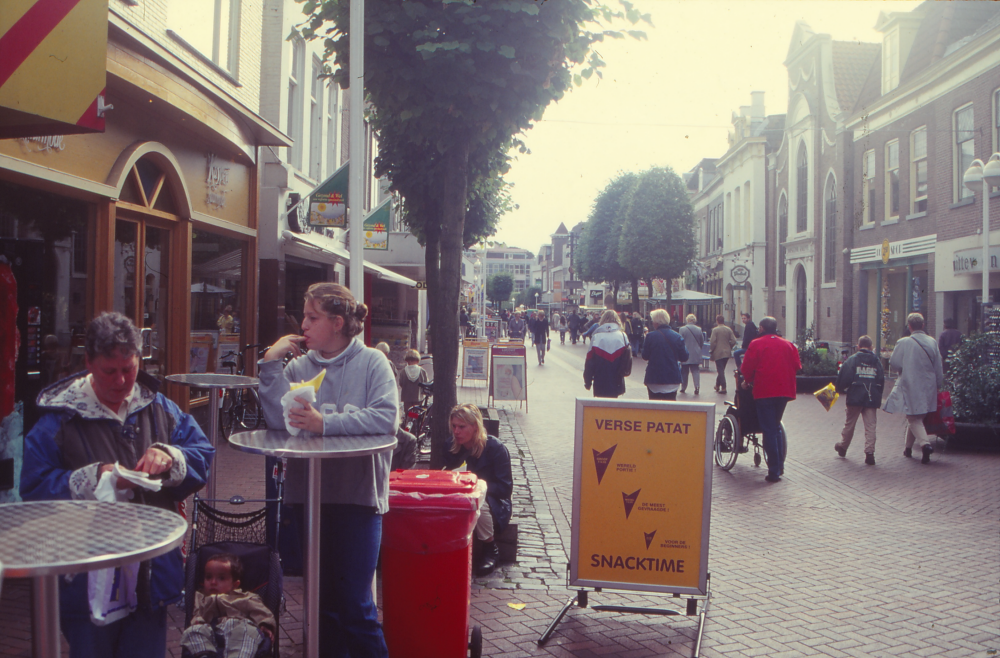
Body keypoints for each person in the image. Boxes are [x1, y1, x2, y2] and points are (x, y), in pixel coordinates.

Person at [21, 311, 214, 658]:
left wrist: (170, 457)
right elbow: (34, 488)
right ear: (88, 362)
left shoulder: (161, 408)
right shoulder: (58, 420)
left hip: (149, 573)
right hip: (86, 578)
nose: (122, 381)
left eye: (129, 369)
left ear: (141, 360)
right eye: (110, 371)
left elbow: (201, 454)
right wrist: (95, 477)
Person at [258, 282, 397, 656]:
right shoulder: (300, 365)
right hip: (310, 499)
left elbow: (386, 418)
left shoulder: (372, 363)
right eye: (305, 316)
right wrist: (270, 364)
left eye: (312, 317)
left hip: (358, 500)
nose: (302, 324)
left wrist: (325, 423)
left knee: (356, 606)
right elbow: (277, 421)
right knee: (323, 608)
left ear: (337, 322)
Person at [443, 404, 513, 576]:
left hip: (493, 501)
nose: (456, 431)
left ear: (474, 427)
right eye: (454, 426)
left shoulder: (495, 449)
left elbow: (505, 488)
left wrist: (478, 486)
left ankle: (491, 549)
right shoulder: (450, 446)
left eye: (461, 427)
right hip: (459, 494)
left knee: (477, 504)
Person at [739, 316, 801, 483]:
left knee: (769, 429)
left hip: (765, 391)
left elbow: (746, 368)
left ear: (761, 328)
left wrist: (747, 381)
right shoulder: (789, 345)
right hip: (785, 391)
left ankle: (774, 471)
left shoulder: (756, 344)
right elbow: (797, 366)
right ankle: (779, 465)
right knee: (776, 426)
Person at [181, 553, 276, 658]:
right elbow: (196, 614)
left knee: (246, 630)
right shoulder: (200, 597)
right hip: (211, 634)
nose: (213, 582)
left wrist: (266, 625)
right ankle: (204, 655)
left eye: (221, 578)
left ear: (235, 584)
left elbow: (261, 611)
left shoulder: (245, 597)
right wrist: (198, 621)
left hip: (237, 631)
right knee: (192, 631)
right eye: (208, 577)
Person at [882, 312, 944, 464]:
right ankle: (908, 449)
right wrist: (939, 384)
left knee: (912, 417)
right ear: (923, 325)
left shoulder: (903, 343)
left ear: (909, 326)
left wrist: (906, 366)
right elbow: (938, 366)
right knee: (916, 417)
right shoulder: (932, 342)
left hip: (911, 383)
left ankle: (925, 445)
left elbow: (895, 364)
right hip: (929, 385)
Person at [834, 335, 885, 465]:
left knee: (850, 424)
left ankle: (843, 447)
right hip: (871, 396)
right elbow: (880, 379)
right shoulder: (876, 360)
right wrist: (878, 394)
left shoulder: (852, 360)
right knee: (870, 426)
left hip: (855, 395)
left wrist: (839, 389)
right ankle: (869, 453)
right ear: (871, 347)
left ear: (858, 346)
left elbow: (844, 378)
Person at [583, 310, 632, 398]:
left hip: (599, 379)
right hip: (617, 379)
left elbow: (589, 361)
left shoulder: (596, 336)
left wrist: (588, 381)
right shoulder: (623, 336)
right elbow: (627, 359)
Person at [641, 309, 688, 400]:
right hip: (672, 378)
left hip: (654, 379)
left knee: (654, 408)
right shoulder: (677, 337)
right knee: (670, 408)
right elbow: (684, 356)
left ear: (656, 322)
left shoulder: (650, 336)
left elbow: (645, 356)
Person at [709, 314, 737, 394]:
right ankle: (717, 385)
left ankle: (724, 387)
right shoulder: (728, 329)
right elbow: (734, 340)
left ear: (717, 321)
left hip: (718, 352)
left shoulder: (715, 330)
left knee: (720, 370)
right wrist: (729, 346)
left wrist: (711, 350)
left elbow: (713, 342)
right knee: (721, 369)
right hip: (727, 352)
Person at [678, 314, 706, 395]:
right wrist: (698, 348)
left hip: (685, 352)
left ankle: (683, 387)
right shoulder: (699, 329)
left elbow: (680, 341)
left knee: (684, 371)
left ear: (687, 320)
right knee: (695, 370)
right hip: (695, 353)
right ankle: (697, 387)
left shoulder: (682, 329)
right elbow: (701, 341)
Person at [398, 348, 429, 413]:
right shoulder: (422, 371)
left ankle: (408, 421)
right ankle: (415, 422)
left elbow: (401, 383)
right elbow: (426, 383)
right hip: (418, 397)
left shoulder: (403, 372)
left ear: (407, 360)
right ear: (417, 360)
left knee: (408, 412)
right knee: (417, 413)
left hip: (406, 397)